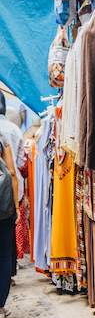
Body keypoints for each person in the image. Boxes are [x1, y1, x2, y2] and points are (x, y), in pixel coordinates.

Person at [0, 91, 25, 282]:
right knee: (5, 249)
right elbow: (15, 169)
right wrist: (16, 205)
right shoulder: (11, 131)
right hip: (6, 197)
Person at [0, 134, 19, 318]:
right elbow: (12, 172)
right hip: (3, 209)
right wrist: (15, 204)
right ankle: (0, 307)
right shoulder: (1, 137)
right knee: (4, 256)